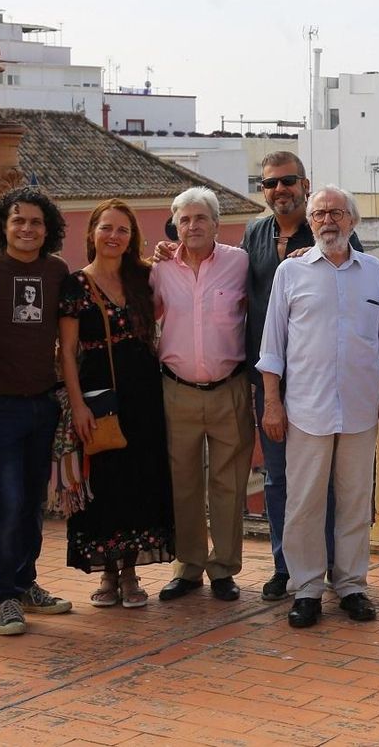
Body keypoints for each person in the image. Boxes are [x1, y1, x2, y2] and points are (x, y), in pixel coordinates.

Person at [258, 186, 379, 628]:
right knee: (304, 503)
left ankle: (353, 585)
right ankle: (306, 589)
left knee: (356, 502)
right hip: (306, 410)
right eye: (318, 214)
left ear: (352, 221)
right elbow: (272, 346)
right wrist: (272, 404)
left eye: (336, 213)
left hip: (360, 408)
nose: (327, 221)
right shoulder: (290, 273)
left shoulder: (374, 271)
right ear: (311, 221)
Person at [0, 186, 74, 636]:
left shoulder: (57, 270)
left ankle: (26, 584)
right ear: (3, 225)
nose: (27, 228)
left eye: (36, 222)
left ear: (48, 229)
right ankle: (5, 596)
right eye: (18, 220)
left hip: (44, 404)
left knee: (32, 504)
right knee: (7, 501)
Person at [241, 151, 360, 601]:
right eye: (269, 183)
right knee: (278, 478)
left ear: (304, 185)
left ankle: (329, 565)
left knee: (327, 479)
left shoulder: (334, 231)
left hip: (326, 383)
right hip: (271, 381)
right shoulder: (255, 232)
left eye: (287, 181)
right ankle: (284, 565)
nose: (279, 190)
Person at [58, 199, 176, 609]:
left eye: (122, 230)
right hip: (99, 397)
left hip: (144, 393)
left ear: (132, 238)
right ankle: (107, 573)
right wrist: (77, 407)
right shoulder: (75, 285)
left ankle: (129, 573)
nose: (114, 236)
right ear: (92, 232)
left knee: (140, 481)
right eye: (106, 227)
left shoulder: (144, 277)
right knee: (104, 482)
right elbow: (68, 351)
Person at [152, 187, 252, 603]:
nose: (192, 226)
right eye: (185, 219)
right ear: (175, 225)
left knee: (229, 483)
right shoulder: (158, 270)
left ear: (216, 223)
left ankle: (224, 568)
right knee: (183, 484)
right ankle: (188, 567)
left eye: (200, 219)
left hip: (230, 388)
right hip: (176, 390)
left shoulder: (240, 263)